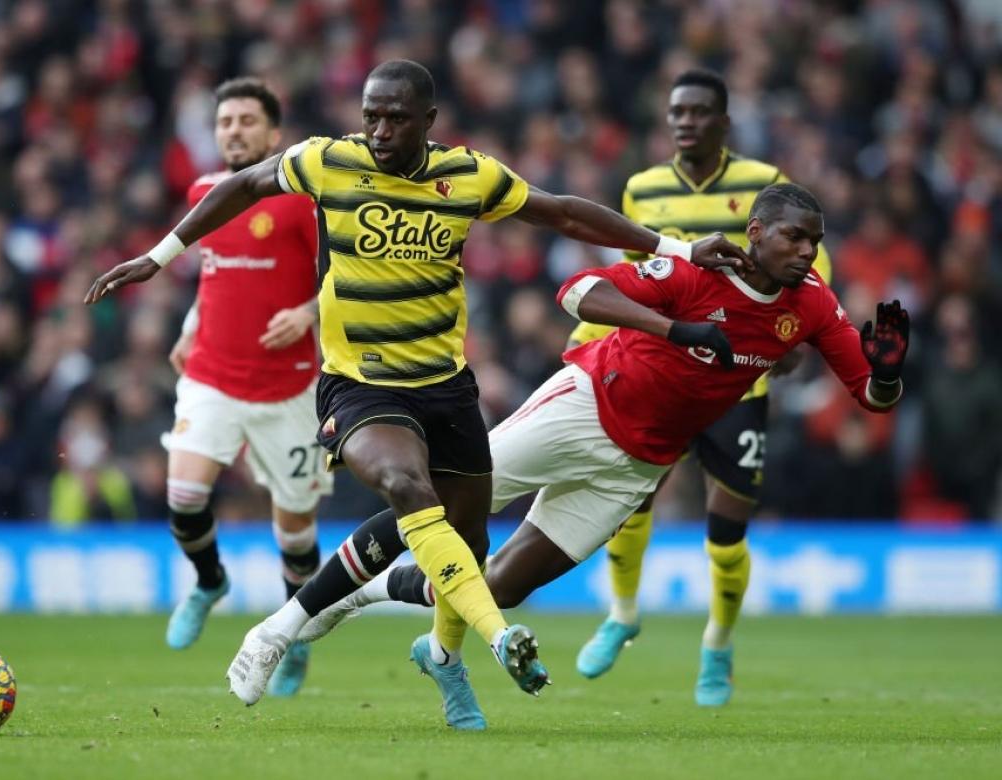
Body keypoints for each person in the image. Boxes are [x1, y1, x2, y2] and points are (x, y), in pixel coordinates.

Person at [85, 60, 747, 729]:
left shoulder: (468, 175)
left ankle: (314, 635)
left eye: (395, 117)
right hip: (358, 383)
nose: (377, 129)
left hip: (445, 386)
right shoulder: (328, 162)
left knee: (467, 545)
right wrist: (161, 255)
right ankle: (493, 641)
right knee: (406, 486)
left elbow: (564, 214)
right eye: (370, 114)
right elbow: (248, 184)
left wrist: (680, 250)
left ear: (428, 121)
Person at [297, 184, 909, 719]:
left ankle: (373, 594)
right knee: (442, 504)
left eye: (815, 241)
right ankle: (322, 602)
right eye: (795, 238)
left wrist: (886, 373)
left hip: (638, 464)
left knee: (504, 587)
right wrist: (672, 327)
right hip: (582, 406)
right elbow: (575, 290)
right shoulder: (696, 271)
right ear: (756, 233)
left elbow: (872, 396)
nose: (807, 252)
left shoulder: (812, 304)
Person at [565, 69, 835, 706]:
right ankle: (623, 614)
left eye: (697, 111)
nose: (684, 121)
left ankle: (718, 643)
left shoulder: (764, 184)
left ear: (723, 121)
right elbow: (640, 276)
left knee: (727, 526)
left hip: (739, 381)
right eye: (675, 112)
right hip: (665, 377)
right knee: (631, 503)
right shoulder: (643, 188)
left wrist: (793, 339)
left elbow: (809, 269)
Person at [157, 78, 331, 698]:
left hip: (288, 391)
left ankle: (290, 640)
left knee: (295, 533)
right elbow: (212, 274)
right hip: (211, 376)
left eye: (246, 120)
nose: (233, 130)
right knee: (182, 495)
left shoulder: (302, 200)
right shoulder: (203, 193)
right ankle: (209, 583)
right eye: (225, 121)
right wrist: (190, 324)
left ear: (273, 133)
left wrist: (310, 312)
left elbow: (341, 275)